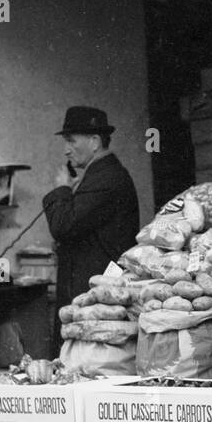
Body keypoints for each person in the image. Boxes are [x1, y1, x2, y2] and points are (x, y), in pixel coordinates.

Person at [42, 107, 139, 349]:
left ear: (95, 141)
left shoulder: (106, 178)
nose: (66, 150)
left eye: (71, 141)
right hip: (91, 289)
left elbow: (62, 225)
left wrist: (62, 189)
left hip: (95, 291)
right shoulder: (100, 176)